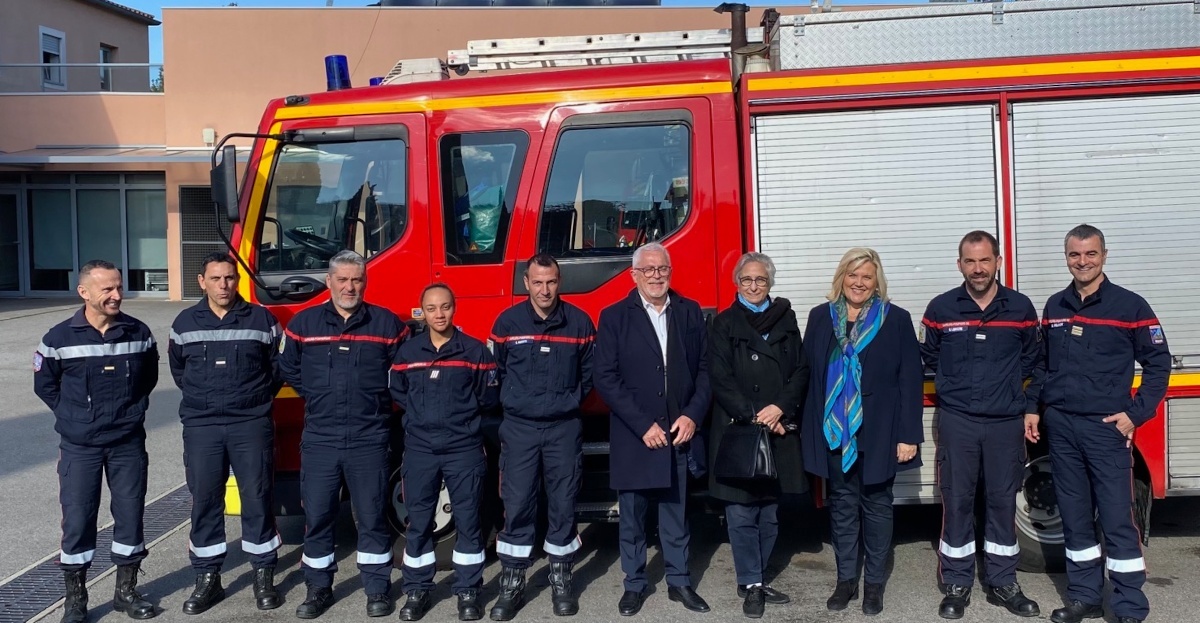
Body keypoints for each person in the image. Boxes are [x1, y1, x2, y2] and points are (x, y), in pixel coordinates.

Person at [1030, 225, 1169, 623]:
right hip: (1063, 428)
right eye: (1075, 255)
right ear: (1067, 258)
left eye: (1090, 254)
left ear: (1104, 255)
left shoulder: (1131, 307)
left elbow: (1159, 364)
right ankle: (1085, 597)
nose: (1083, 261)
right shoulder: (1055, 307)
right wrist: (1036, 408)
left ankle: (1128, 606)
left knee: (1116, 519)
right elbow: (1042, 365)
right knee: (1074, 518)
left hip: (1106, 429)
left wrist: (1136, 413)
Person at [278, 250, 409, 620]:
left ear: (365, 283)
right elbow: (289, 367)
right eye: (343, 280)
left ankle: (377, 589)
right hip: (321, 437)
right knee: (317, 515)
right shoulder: (303, 324)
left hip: (370, 437)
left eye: (357, 280)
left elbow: (401, 374)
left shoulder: (386, 325)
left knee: (371, 516)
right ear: (329, 282)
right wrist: (320, 395)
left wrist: (375, 402)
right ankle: (318, 588)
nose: (350, 287)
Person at [919, 232, 1041, 619]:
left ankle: (1004, 581)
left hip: (1006, 422)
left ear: (998, 261)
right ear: (959, 264)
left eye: (984, 261)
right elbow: (929, 358)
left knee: (1003, 501)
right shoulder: (941, 309)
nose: (978, 269)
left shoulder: (1020, 308)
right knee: (956, 500)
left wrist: (1019, 399)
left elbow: (1035, 363)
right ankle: (956, 582)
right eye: (970, 262)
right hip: (958, 421)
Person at [34, 259, 159, 623]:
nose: (116, 295)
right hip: (80, 446)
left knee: (131, 515)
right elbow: (46, 386)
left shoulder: (139, 332)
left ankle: (126, 591)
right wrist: (74, 417)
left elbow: (147, 378)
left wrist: (131, 411)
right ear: (84, 292)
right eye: (107, 289)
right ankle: (76, 600)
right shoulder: (58, 338)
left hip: (127, 442)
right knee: (78, 520)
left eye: (119, 287)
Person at [800, 247, 923, 617]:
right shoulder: (821, 318)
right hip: (836, 432)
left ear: (876, 281)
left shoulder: (896, 319)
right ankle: (845, 581)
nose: (859, 283)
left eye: (866, 277)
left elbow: (910, 380)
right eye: (852, 275)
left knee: (878, 506)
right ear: (842, 278)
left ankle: (873, 586)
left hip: (880, 430)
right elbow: (809, 376)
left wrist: (908, 435)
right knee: (841, 507)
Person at [593, 242, 712, 617]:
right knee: (632, 517)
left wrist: (692, 415)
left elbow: (706, 371)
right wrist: (643, 424)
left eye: (662, 269)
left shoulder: (691, 313)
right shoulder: (614, 316)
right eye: (648, 270)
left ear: (670, 271)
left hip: (679, 432)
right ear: (634, 275)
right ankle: (634, 585)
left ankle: (679, 582)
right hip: (635, 434)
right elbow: (605, 377)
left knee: (676, 515)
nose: (656, 276)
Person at [168, 253, 283, 614]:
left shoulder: (262, 319)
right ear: (201, 281)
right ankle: (208, 578)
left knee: (257, 496)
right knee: (204, 500)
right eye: (216, 278)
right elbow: (178, 370)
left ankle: (263, 574)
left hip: (250, 422)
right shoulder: (184, 322)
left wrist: (255, 399)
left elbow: (276, 369)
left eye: (230, 278)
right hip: (202, 425)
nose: (224, 285)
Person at [488, 254, 596, 620]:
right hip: (519, 427)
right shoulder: (507, 323)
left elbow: (588, 374)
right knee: (516, 503)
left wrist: (565, 403)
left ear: (559, 282)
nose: (545, 289)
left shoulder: (579, 323)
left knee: (563, 502)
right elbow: (498, 370)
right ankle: (513, 580)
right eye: (538, 282)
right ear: (526, 284)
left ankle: (561, 576)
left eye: (551, 282)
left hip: (563, 427)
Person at [707, 252, 809, 619]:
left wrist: (780, 408)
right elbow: (719, 377)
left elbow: (801, 370)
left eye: (760, 280)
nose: (753, 286)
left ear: (770, 283)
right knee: (740, 511)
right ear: (737, 283)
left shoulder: (787, 317)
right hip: (740, 429)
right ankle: (751, 583)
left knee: (769, 513)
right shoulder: (723, 323)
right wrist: (753, 415)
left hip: (778, 427)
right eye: (747, 280)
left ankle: (756, 575)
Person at [390, 284, 499, 622]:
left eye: (446, 307)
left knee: (468, 521)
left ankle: (468, 591)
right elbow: (398, 391)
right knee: (418, 522)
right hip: (421, 449)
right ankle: (417, 590)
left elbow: (488, 398)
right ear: (421, 311)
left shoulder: (475, 352)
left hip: (463, 448)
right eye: (432, 308)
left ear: (455, 308)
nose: (440, 314)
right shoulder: (408, 354)